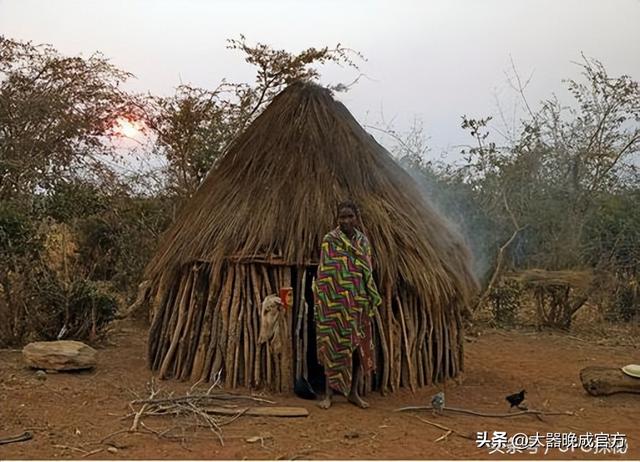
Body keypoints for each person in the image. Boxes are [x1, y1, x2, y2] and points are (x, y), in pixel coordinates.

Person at [313, 200, 382, 409]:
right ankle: (328, 394)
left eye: (350, 216)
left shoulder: (363, 242)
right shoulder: (330, 240)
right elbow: (325, 273)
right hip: (333, 305)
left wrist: (365, 296)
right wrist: (328, 299)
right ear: (337, 219)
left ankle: (354, 393)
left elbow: (367, 272)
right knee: (331, 346)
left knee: (357, 347)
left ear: (356, 217)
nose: (346, 220)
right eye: (342, 217)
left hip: (358, 304)